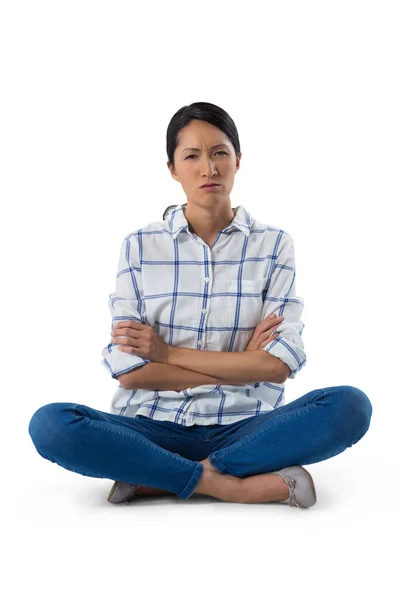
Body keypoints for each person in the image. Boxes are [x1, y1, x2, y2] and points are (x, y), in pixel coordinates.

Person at [28, 101, 373, 508]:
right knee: (51, 424)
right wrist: (242, 362)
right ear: (173, 168)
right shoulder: (140, 246)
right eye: (192, 156)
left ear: (238, 160)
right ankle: (230, 484)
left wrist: (167, 354)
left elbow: (278, 367)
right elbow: (131, 374)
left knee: (350, 406)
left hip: (248, 426)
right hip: (152, 425)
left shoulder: (274, 245)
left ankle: (158, 476)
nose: (208, 168)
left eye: (219, 153)